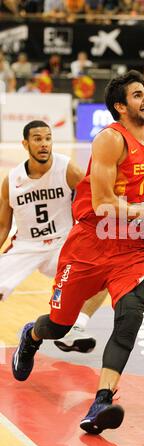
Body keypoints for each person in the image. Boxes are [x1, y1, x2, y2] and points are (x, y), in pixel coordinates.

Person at [11, 70, 144, 434]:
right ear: (121, 107)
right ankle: (30, 336)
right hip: (90, 243)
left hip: (132, 247)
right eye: (137, 95)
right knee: (58, 325)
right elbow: (105, 203)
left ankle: (102, 401)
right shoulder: (109, 140)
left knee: (131, 315)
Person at [0, 120, 106, 353]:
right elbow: (2, 226)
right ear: (25, 143)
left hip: (63, 242)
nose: (44, 144)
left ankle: (77, 327)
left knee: (103, 275)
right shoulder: (12, 180)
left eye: (48, 138)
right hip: (26, 245)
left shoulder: (67, 169)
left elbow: (96, 199)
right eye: (37, 139)